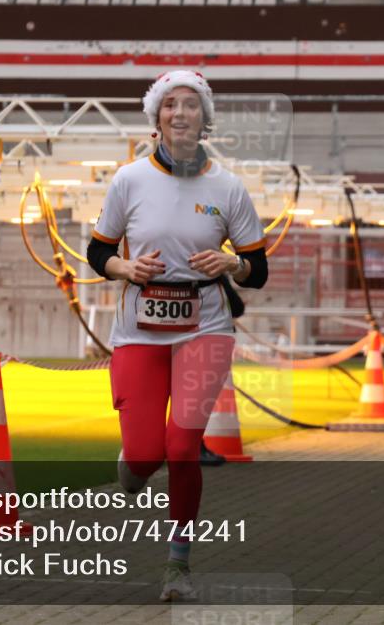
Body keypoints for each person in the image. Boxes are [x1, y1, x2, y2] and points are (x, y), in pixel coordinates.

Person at [85, 70, 268, 601]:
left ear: (204, 120)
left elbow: (257, 268)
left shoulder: (228, 187)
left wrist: (231, 264)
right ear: (157, 119)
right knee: (145, 455)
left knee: (183, 447)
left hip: (205, 329)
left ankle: (177, 567)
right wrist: (125, 269)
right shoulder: (129, 180)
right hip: (139, 333)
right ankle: (134, 463)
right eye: (171, 105)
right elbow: (99, 252)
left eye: (191, 105)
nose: (181, 113)